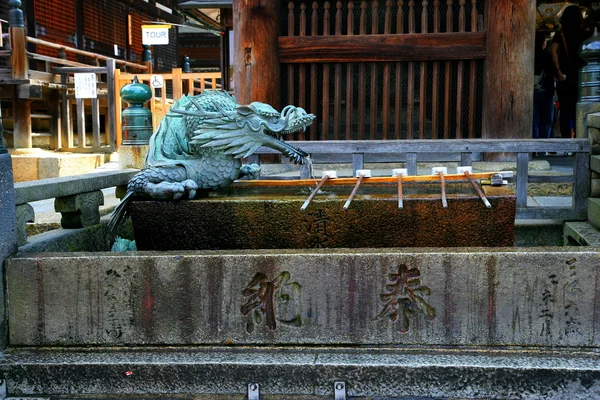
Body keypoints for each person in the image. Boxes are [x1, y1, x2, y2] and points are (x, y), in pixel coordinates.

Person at [551, 5, 592, 139]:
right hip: (581, 77)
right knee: (579, 110)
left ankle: (565, 141)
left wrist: (558, 71)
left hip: (564, 77)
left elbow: (553, 52)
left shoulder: (560, 34)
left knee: (564, 111)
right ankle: (579, 139)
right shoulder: (586, 34)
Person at [533, 32, 555, 143]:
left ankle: (533, 147)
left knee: (534, 120)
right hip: (546, 91)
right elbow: (552, 72)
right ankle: (543, 146)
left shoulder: (530, 56)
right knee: (546, 121)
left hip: (533, 92)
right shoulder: (547, 55)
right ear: (543, 42)